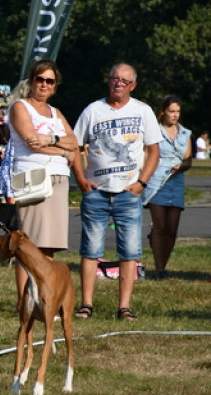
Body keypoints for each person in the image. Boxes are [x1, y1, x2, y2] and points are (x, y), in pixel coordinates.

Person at [71, 63, 161, 322]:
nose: (118, 83)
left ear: (132, 85)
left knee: (129, 251)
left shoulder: (143, 111)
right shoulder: (93, 110)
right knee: (90, 249)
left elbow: (154, 151)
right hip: (96, 191)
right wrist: (81, 179)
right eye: (114, 79)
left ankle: (124, 307)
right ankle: (86, 304)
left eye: (124, 80)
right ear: (108, 81)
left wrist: (141, 183)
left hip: (128, 192)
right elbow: (75, 147)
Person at [6, 60, 78, 301]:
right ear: (32, 80)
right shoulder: (20, 107)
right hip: (34, 180)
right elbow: (30, 142)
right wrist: (62, 149)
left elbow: (74, 143)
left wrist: (50, 139)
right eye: (40, 79)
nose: (44, 84)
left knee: (48, 246)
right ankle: (24, 302)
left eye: (50, 81)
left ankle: (44, 299)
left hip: (59, 180)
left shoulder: (56, 113)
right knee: (29, 244)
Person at [142, 95, 193, 280]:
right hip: (157, 182)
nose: (175, 115)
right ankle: (159, 268)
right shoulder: (153, 131)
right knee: (160, 226)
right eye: (171, 111)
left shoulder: (185, 133)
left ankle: (164, 263)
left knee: (172, 229)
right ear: (163, 112)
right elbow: (146, 154)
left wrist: (182, 166)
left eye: (177, 111)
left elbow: (188, 160)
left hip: (176, 183)